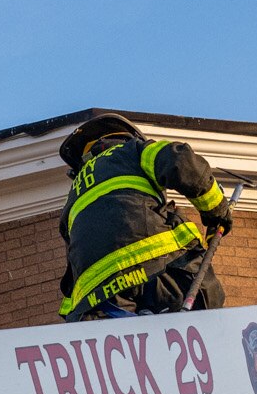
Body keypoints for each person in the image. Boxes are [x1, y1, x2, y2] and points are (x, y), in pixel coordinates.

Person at [56, 112, 235, 320]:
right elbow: (180, 160)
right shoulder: (133, 150)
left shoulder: (72, 199)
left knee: (126, 349)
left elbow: (72, 266)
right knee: (208, 306)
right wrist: (217, 211)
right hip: (159, 267)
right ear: (126, 138)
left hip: (102, 297)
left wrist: (77, 313)